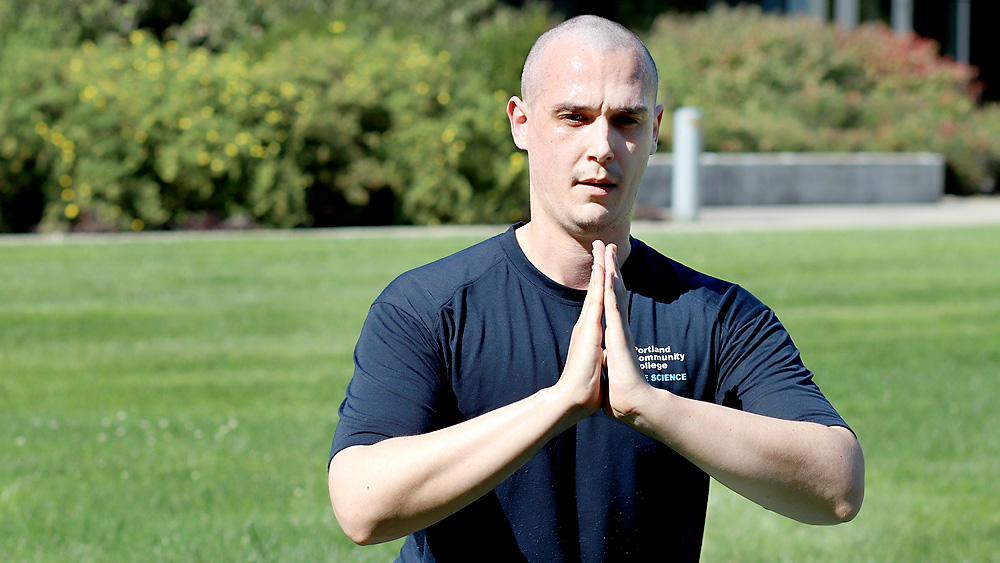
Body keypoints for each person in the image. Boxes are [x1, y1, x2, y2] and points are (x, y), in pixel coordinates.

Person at [327, 14, 864, 562]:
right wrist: (560, 403)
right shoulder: (429, 307)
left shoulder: (716, 315)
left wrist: (651, 407)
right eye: (574, 117)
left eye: (625, 120)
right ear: (521, 122)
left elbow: (837, 486)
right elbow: (361, 505)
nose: (602, 146)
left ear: (655, 130)